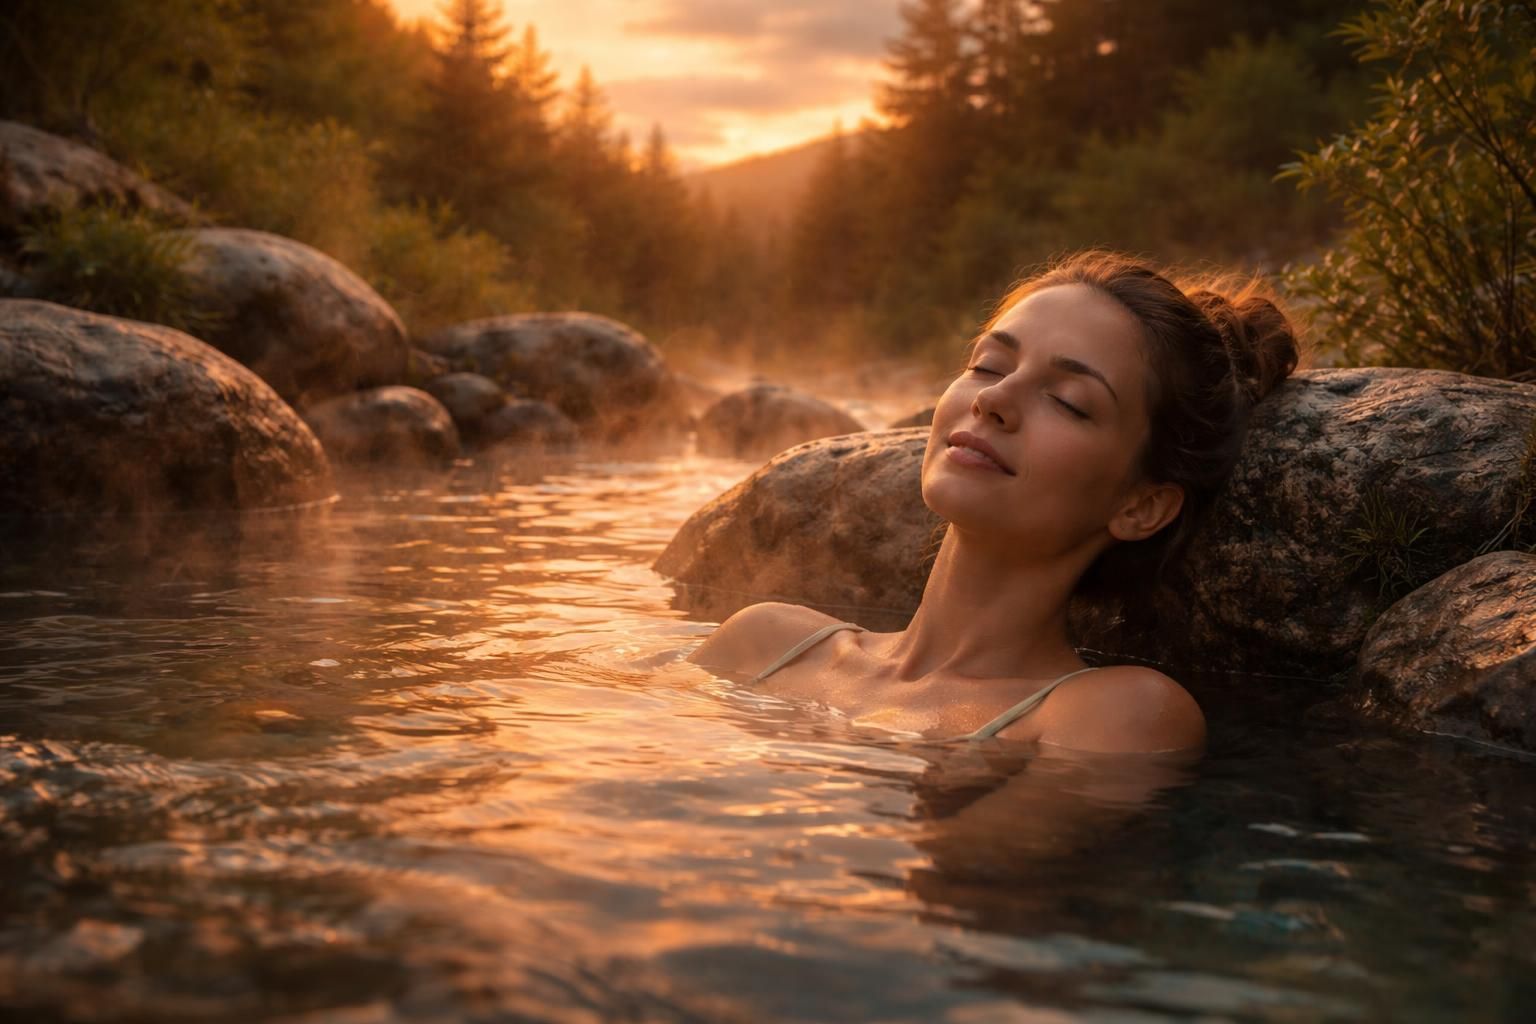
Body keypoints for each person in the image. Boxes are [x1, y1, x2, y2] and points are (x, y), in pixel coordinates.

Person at [689, 250, 1299, 753]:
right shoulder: (766, 640)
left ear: (1141, 506)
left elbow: (955, 894)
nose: (995, 399)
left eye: (1067, 400)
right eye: (988, 365)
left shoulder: (1114, 715)